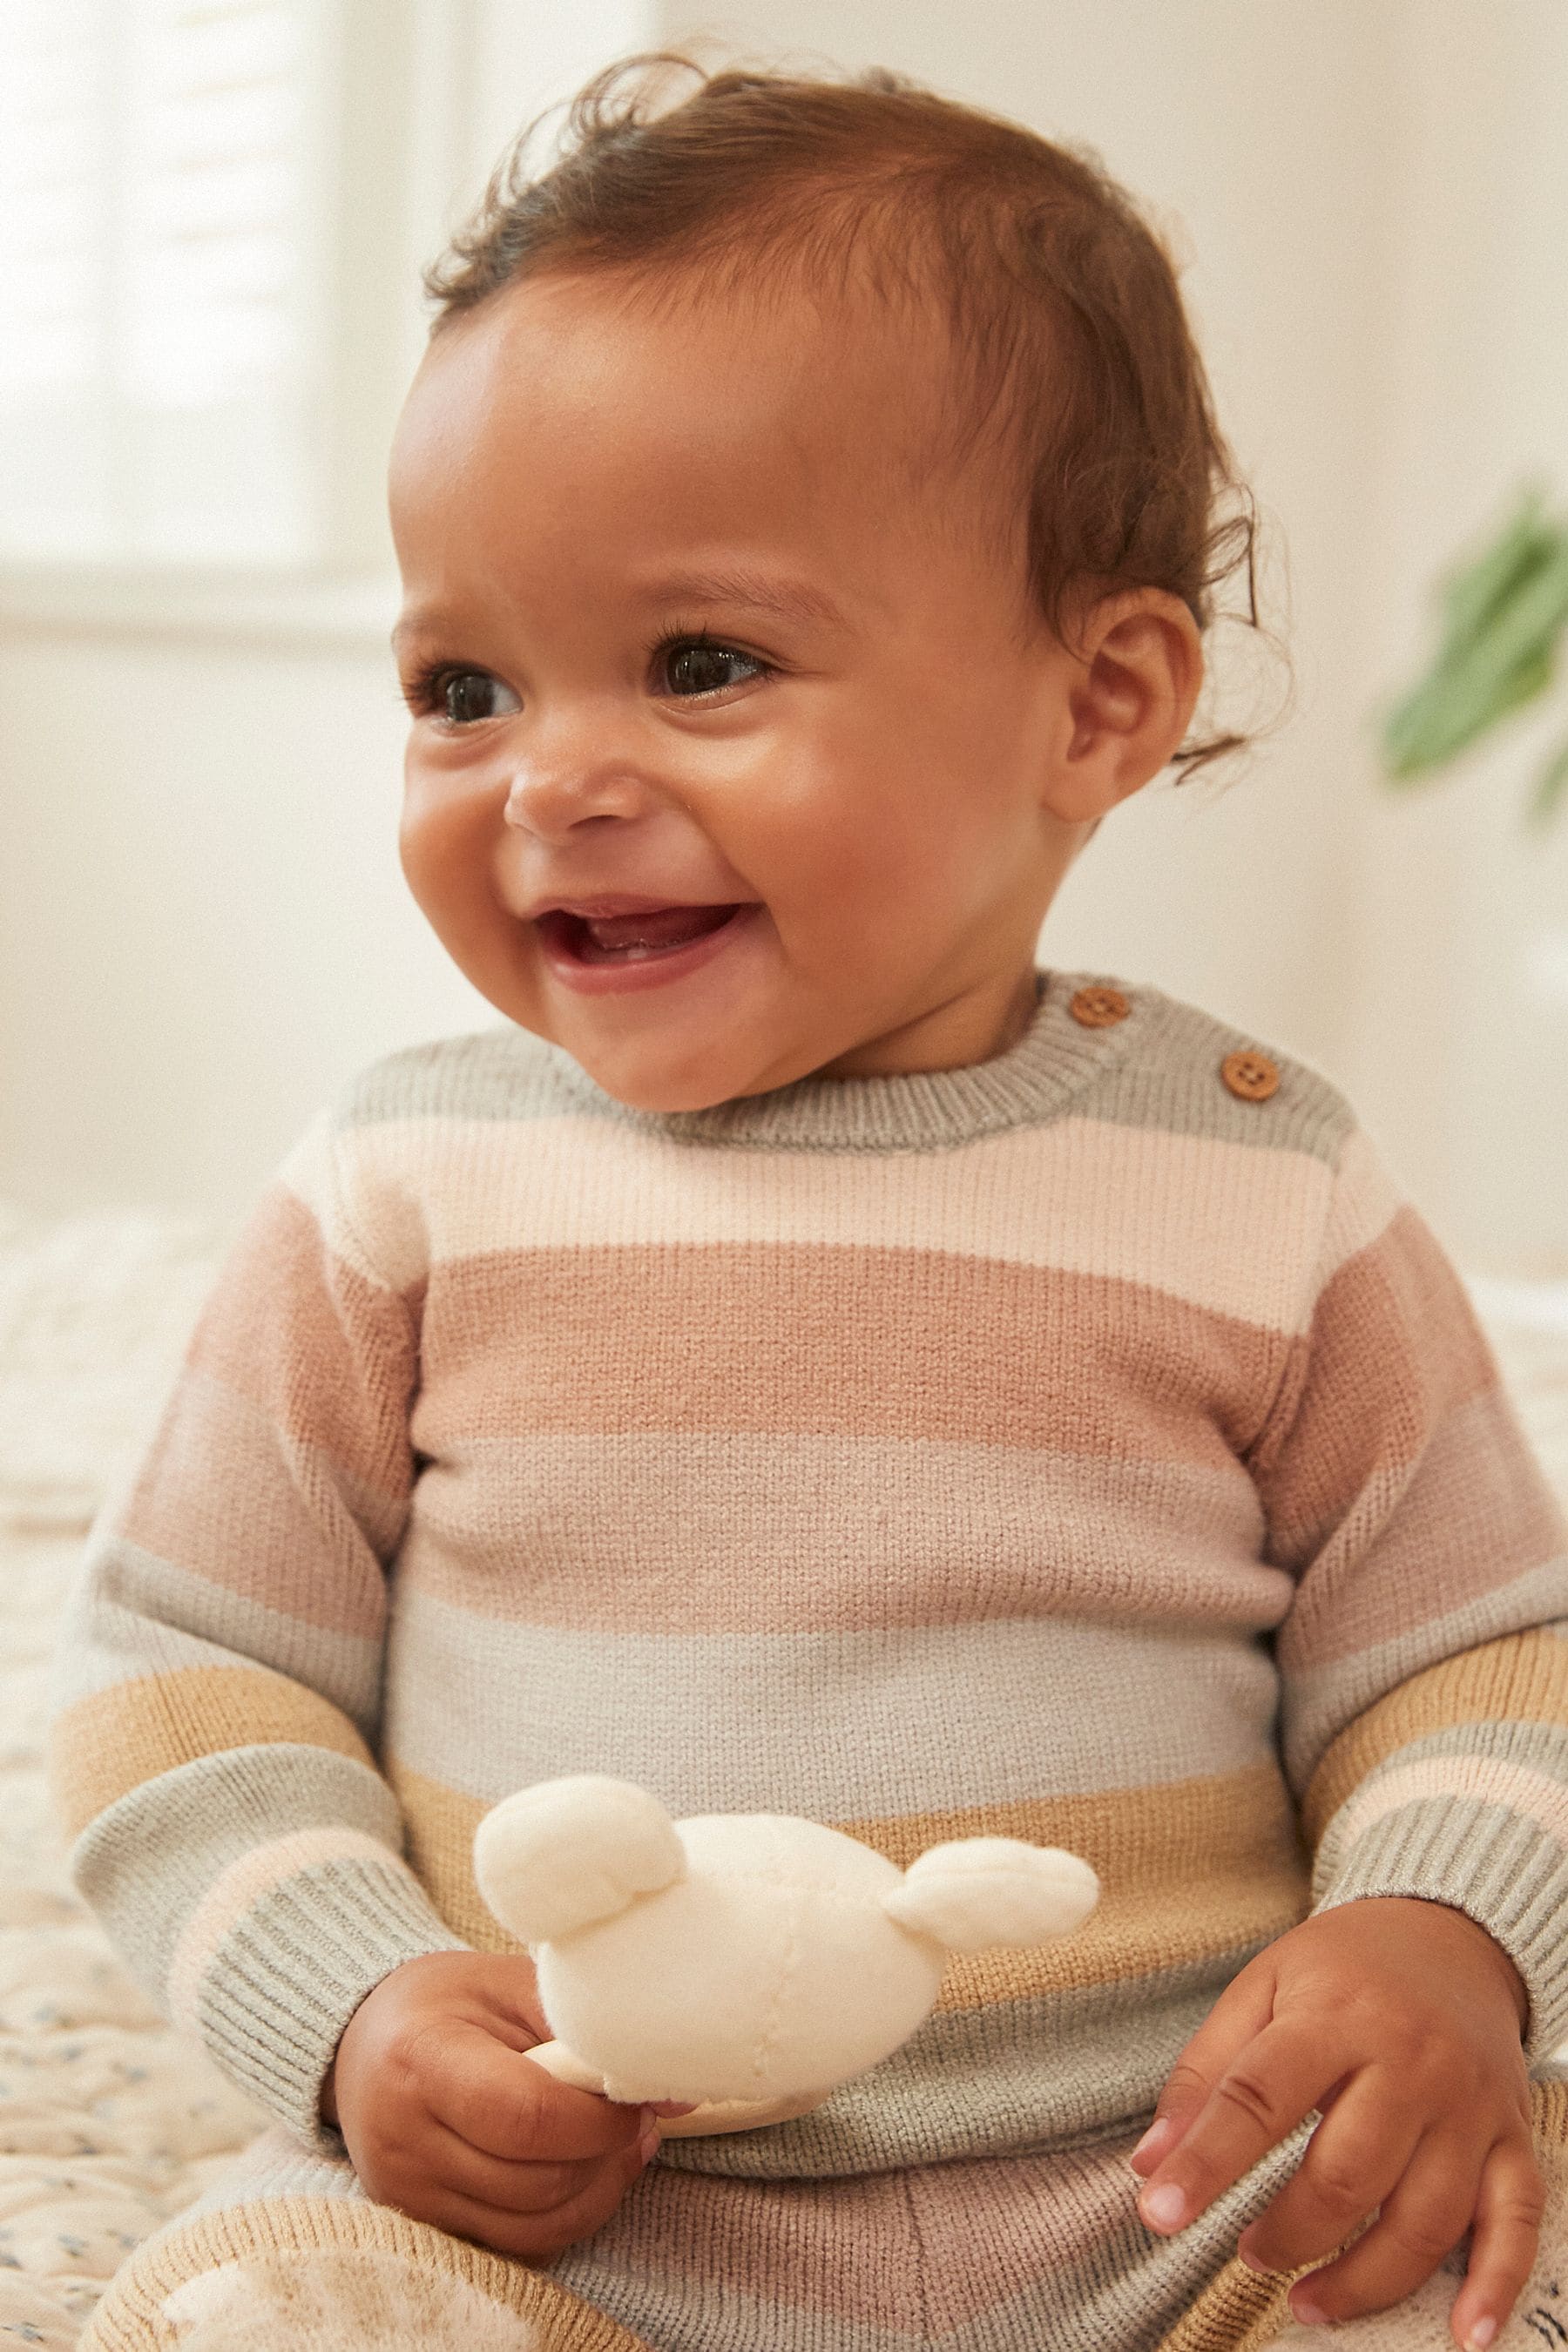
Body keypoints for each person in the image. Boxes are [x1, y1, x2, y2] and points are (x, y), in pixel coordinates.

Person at [55, 53, 1568, 2352]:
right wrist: (357, 2016)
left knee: (1487, 2264)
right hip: (581, 2223)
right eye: (464, 684)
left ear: (1098, 704)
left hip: (1193, 2197)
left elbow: (1476, 1655)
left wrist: (1442, 1934)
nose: (555, 774)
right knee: (259, 2306)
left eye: (702, 664)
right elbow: (191, 1671)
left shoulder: (1261, 1179)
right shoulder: (408, 1186)